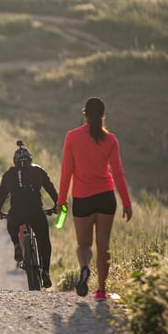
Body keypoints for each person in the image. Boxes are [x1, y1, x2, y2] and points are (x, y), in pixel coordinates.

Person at [57, 97, 132, 300]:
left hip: (82, 199)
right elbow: (118, 173)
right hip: (106, 198)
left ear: (85, 115)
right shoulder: (111, 140)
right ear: (103, 115)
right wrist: (126, 202)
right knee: (104, 246)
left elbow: (66, 171)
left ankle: (84, 270)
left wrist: (61, 201)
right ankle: (101, 290)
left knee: (84, 246)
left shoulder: (72, 137)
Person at [0, 141, 58, 288]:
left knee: (11, 222)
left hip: (17, 212)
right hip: (36, 211)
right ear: (30, 159)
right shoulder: (39, 170)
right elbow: (50, 188)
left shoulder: (8, 174)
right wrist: (57, 204)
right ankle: (46, 272)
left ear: (15, 162)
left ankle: (17, 244)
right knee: (44, 241)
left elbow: (2, 196)